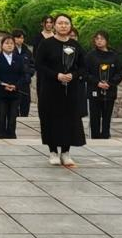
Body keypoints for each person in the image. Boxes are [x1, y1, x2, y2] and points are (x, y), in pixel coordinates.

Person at [34, 13, 87, 168]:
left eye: (66, 23)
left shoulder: (75, 45)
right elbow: (39, 65)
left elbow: (83, 67)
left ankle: (65, 152)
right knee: (51, 119)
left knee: (69, 120)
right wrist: (56, 75)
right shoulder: (46, 44)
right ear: (54, 26)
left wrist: (73, 75)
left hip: (70, 89)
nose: (63, 26)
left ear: (70, 26)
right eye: (60, 23)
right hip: (51, 89)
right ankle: (52, 151)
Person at [84, 30, 122, 140]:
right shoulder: (90, 56)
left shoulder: (114, 55)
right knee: (95, 117)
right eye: (97, 39)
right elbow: (85, 72)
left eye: (101, 39)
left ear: (107, 40)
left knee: (107, 117)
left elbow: (120, 71)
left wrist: (111, 83)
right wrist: (97, 82)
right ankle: (95, 137)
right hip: (95, 90)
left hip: (109, 91)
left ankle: (106, 136)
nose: (99, 41)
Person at [0, 35, 28, 139]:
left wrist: (16, 85)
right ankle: (0, 135)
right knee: (1, 115)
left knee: (12, 116)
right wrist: (3, 85)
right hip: (1, 93)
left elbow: (24, 75)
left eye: (11, 43)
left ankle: (11, 135)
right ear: (2, 45)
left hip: (15, 92)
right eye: (7, 43)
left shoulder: (19, 59)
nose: (9, 45)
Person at [11, 29, 34, 117]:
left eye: (22, 38)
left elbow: (32, 65)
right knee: (14, 103)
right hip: (14, 81)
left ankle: (24, 117)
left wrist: (29, 74)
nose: (20, 40)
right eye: (18, 37)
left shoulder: (27, 51)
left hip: (25, 81)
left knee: (25, 102)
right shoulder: (10, 49)